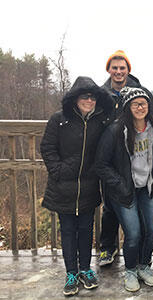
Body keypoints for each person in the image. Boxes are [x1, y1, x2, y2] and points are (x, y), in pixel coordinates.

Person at [40, 76, 113, 296]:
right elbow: (47, 148)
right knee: (68, 231)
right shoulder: (59, 119)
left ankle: (85, 269)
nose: (89, 101)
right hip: (64, 187)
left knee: (85, 229)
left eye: (92, 97)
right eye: (84, 97)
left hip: (89, 185)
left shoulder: (100, 121)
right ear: (75, 98)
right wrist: (58, 171)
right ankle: (71, 272)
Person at [95, 87, 153, 292]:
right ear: (127, 107)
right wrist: (121, 185)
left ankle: (144, 266)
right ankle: (130, 269)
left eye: (144, 103)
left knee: (152, 230)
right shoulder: (115, 131)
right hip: (124, 190)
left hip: (146, 187)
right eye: (135, 104)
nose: (140, 107)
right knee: (133, 233)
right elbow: (101, 164)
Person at [99, 50, 153, 267]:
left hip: (139, 166)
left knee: (144, 224)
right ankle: (108, 247)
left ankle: (142, 262)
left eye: (122, 67)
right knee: (110, 208)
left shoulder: (138, 91)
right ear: (109, 70)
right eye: (114, 67)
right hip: (112, 157)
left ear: (128, 70)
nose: (118, 71)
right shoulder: (101, 94)